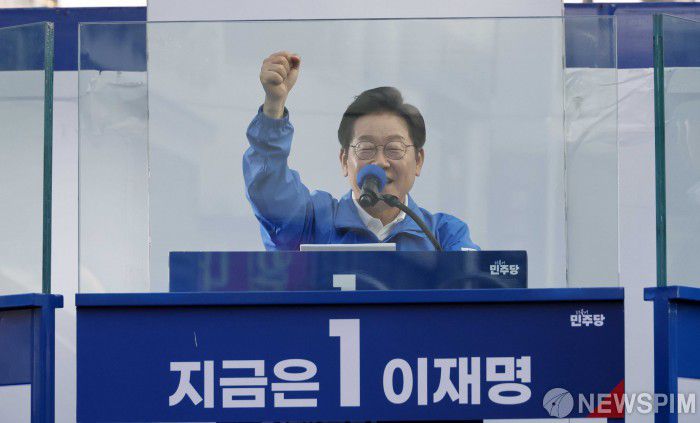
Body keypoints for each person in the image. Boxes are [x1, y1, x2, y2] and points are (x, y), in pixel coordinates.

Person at [243, 51, 479, 251]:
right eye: (366, 149)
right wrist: (274, 106)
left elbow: (474, 284)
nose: (380, 162)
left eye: (394, 149)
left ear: (418, 161)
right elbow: (270, 191)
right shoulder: (312, 223)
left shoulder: (443, 236)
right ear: (344, 160)